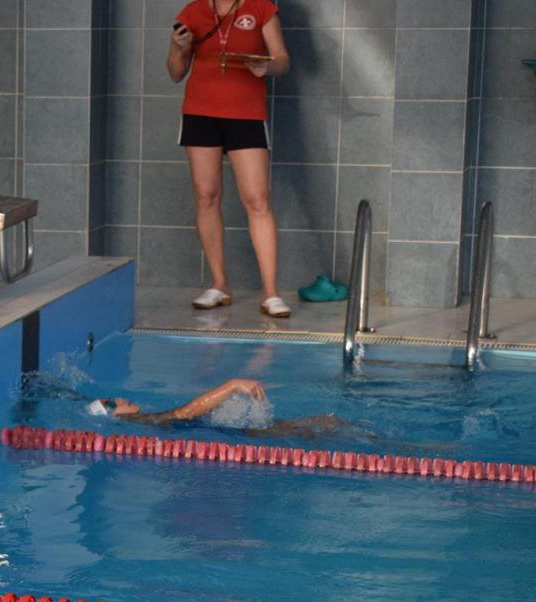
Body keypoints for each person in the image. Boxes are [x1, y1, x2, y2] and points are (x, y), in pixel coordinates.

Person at [167, 0, 292, 318]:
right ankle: (219, 284)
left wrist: (267, 67)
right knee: (206, 196)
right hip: (200, 113)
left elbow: (282, 61)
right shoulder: (192, 12)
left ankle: (271, 293)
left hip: (246, 114)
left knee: (257, 199)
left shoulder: (261, 9)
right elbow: (176, 73)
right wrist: (179, 48)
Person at [86, 377, 346, 439]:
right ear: (112, 418)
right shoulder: (143, 422)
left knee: (321, 425)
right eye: (112, 404)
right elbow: (185, 412)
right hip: (228, 434)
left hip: (221, 430)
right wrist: (232, 385)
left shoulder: (146, 421)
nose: (119, 399)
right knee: (316, 430)